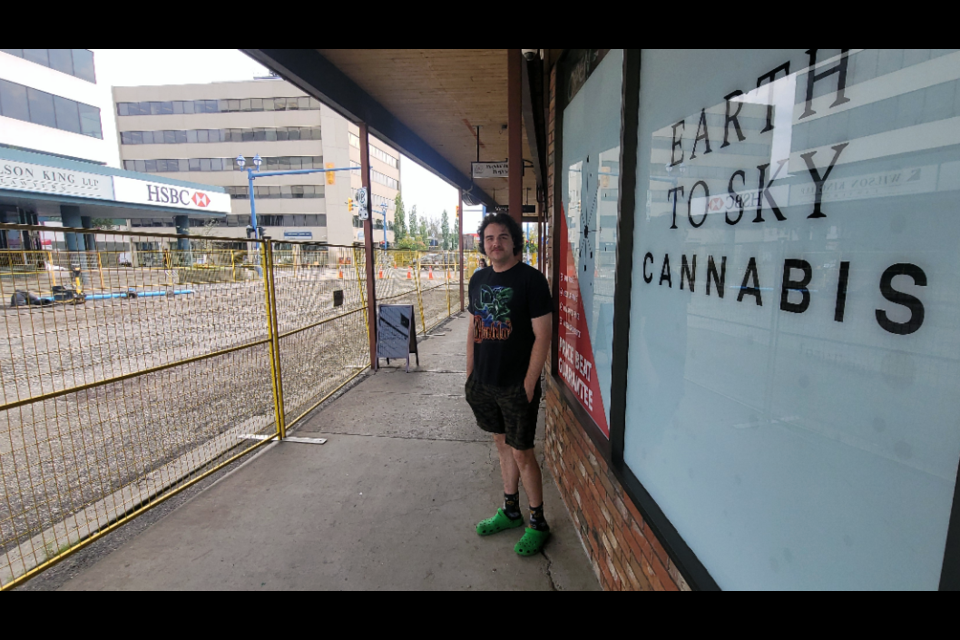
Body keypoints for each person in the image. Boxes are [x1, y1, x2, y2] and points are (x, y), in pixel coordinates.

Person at [465, 213, 552, 556]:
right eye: (489, 238)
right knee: (502, 446)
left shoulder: (532, 281)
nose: (495, 243)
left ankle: (538, 523)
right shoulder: (478, 278)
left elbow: (543, 336)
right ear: (483, 243)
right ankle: (511, 510)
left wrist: (530, 384)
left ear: (514, 241)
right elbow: (474, 328)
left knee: (523, 452)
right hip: (484, 383)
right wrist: (470, 374)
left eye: (502, 237)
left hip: (517, 385)